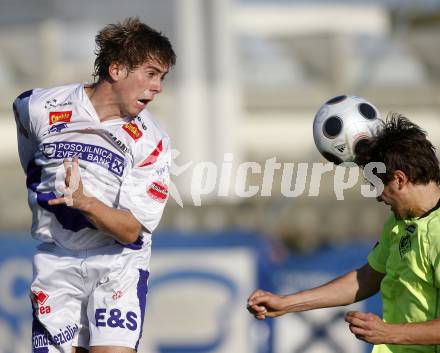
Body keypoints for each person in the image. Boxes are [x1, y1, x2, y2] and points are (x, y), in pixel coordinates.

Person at [13, 17, 176, 353]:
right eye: (150, 73)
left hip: (117, 265)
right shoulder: (38, 106)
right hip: (57, 259)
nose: (158, 86)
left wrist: (86, 202)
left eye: (162, 77)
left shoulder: (153, 140)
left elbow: (131, 231)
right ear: (116, 70)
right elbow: (28, 145)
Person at [247, 114, 440, 353]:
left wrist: (389, 332)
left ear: (399, 179)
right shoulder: (398, 223)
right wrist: (287, 303)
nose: (378, 196)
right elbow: (367, 277)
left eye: (378, 186)